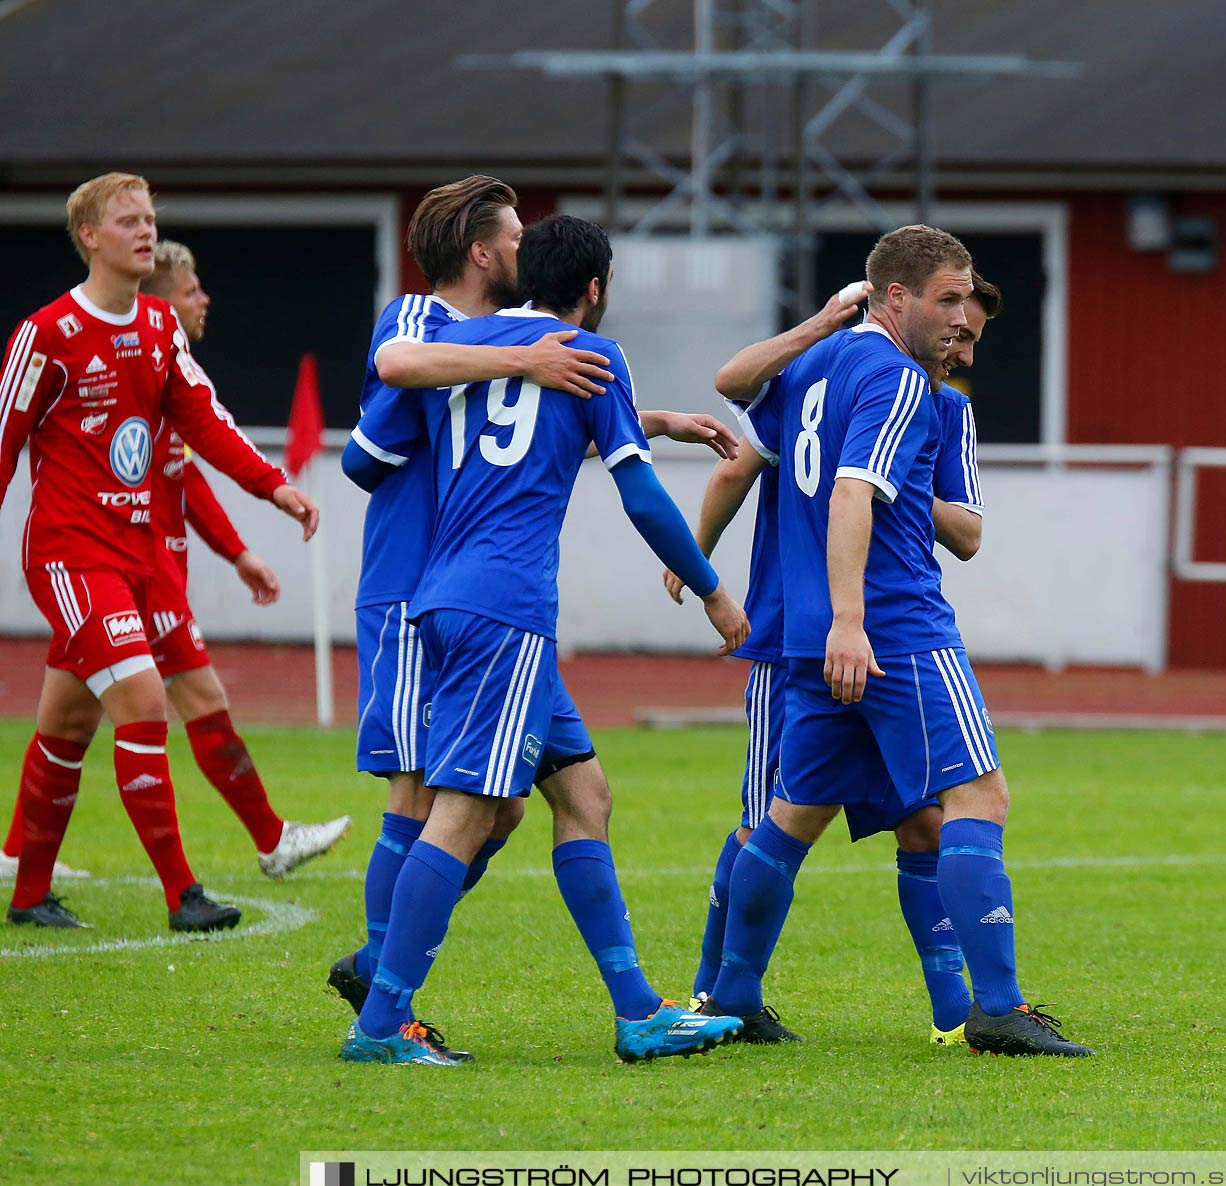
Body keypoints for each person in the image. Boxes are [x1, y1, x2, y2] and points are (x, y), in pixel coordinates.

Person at [324, 177, 738, 1059]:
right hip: (496, 606)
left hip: (454, 597)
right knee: (458, 810)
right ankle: (379, 1015)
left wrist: (638, 413)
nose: (514, 243)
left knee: (581, 795)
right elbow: (639, 497)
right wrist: (710, 586)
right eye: (504, 231)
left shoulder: (465, 345)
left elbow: (378, 440)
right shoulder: (438, 328)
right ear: (595, 289)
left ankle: (637, 1011)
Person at [703, 225, 1092, 1056]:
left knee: (790, 815)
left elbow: (743, 416)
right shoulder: (896, 378)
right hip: (892, 628)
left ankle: (732, 990)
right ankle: (996, 1006)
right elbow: (852, 494)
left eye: (968, 306)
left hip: (808, 636)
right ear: (896, 297)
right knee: (978, 800)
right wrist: (852, 619)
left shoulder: (812, 367)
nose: (959, 321)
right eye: (948, 300)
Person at [668, 271, 1002, 1046]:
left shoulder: (939, 409)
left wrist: (898, 476)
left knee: (911, 821)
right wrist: (696, 560)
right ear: (902, 301)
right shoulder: (840, 373)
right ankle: (718, 996)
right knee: (774, 817)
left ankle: (954, 1013)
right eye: (952, 315)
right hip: (805, 637)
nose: (961, 338)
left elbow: (967, 532)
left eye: (974, 330)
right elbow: (740, 461)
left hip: (832, 637)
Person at [0, 172, 320, 932]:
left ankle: (28, 892)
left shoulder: (156, 327)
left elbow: (206, 420)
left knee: (69, 725)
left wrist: (273, 486)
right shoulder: (45, 335)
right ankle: (184, 895)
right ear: (89, 236)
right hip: (71, 559)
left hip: (139, 560)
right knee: (145, 704)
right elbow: (3, 443)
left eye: (150, 219)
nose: (146, 231)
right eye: (128, 221)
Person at [139, 240, 351, 876]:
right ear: (154, 303)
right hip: (135, 570)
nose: (203, 299)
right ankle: (250, 851)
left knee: (66, 717)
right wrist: (274, 493)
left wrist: (237, 555)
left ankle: (22, 858)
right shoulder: (135, 369)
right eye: (189, 289)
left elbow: (186, 479)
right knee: (190, 704)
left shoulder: (165, 380)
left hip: (148, 568)